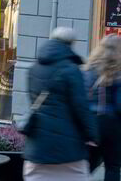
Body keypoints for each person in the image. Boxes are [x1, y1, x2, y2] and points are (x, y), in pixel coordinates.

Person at [23, 27, 98, 181]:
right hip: (68, 148)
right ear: (71, 44)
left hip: (37, 146)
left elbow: (33, 102)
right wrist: (93, 135)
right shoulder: (71, 70)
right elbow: (81, 108)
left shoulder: (33, 68)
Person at [84, 34, 121, 181]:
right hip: (113, 126)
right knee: (113, 166)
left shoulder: (88, 71)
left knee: (87, 166)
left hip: (91, 124)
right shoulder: (118, 73)